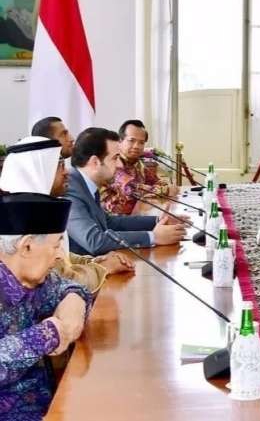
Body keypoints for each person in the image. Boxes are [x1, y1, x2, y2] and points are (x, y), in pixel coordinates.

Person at [0, 192, 91, 419]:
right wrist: (46, 335)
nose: (61, 256)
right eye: (57, 244)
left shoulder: (32, 278)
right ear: (27, 246)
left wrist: (74, 303)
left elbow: (69, 287)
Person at [0, 136, 132, 293]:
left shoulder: (44, 207)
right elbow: (58, 284)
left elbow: (64, 258)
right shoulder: (19, 217)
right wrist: (105, 267)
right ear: (41, 171)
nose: (66, 172)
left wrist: (95, 261)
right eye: (60, 166)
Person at [65, 128, 187, 256]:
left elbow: (109, 223)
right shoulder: (70, 190)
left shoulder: (84, 184)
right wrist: (153, 237)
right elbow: (95, 241)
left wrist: (158, 220)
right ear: (95, 162)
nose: (119, 165)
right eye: (115, 158)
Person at [101, 120, 177, 215]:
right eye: (131, 141)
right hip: (116, 223)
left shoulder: (138, 163)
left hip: (139, 217)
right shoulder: (114, 162)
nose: (136, 146)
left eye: (141, 142)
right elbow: (131, 189)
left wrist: (163, 188)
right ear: (120, 141)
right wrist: (166, 190)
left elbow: (156, 181)